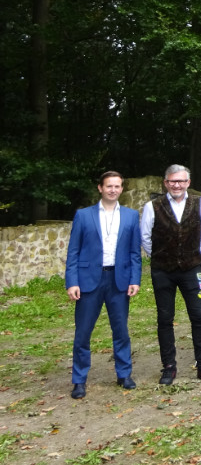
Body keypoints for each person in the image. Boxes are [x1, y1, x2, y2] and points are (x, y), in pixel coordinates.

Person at [65, 171, 142, 399]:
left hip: (119, 280)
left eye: (117, 186)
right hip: (88, 281)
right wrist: (72, 282)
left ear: (122, 189)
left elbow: (134, 252)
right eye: (109, 186)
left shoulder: (131, 216)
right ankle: (79, 380)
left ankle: (124, 374)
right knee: (83, 333)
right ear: (100, 188)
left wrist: (135, 279)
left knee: (121, 331)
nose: (113, 190)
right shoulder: (83, 215)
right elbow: (73, 252)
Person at [140, 164, 201, 385]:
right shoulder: (152, 206)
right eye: (173, 181)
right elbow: (145, 237)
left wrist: (190, 255)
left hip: (192, 269)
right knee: (165, 319)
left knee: (200, 316)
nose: (177, 185)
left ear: (188, 183)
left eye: (181, 181)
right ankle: (169, 367)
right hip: (162, 271)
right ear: (166, 183)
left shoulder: (200, 203)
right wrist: (165, 256)